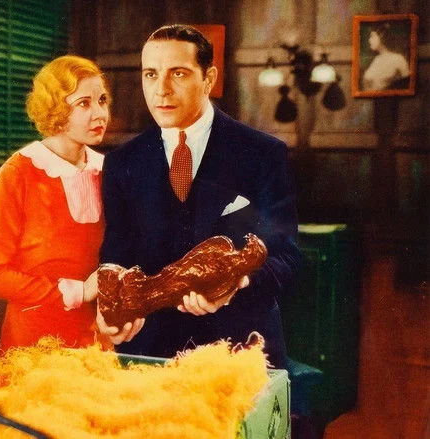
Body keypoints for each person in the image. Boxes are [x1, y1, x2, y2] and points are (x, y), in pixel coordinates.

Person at [97, 24, 301, 369]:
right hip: (151, 356)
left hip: (240, 354)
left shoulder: (262, 153)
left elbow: (288, 258)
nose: (161, 89)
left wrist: (237, 284)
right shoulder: (121, 163)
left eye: (178, 73)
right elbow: (116, 254)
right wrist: (110, 309)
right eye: (151, 74)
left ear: (209, 78)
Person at [0, 55, 143, 351]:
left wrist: (127, 309)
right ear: (56, 109)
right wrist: (79, 292)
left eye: (102, 101)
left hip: (96, 343)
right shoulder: (18, 172)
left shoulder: (110, 171)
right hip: (33, 346)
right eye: (84, 103)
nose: (100, 114)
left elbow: (125, 254)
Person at [362, 22, 410, 91]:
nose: (369, 40)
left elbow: (408, 84)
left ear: (382, 36)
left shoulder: (398, 59)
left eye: (372, 36)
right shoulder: (376, 59)